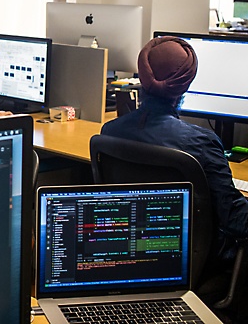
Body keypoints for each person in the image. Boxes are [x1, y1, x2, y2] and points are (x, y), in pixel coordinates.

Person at [101, 36, 248, 263]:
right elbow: (233, 218)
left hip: (127, 256)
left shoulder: (109, 132)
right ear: (185, 86)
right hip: (190, 262)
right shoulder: (202, 143)